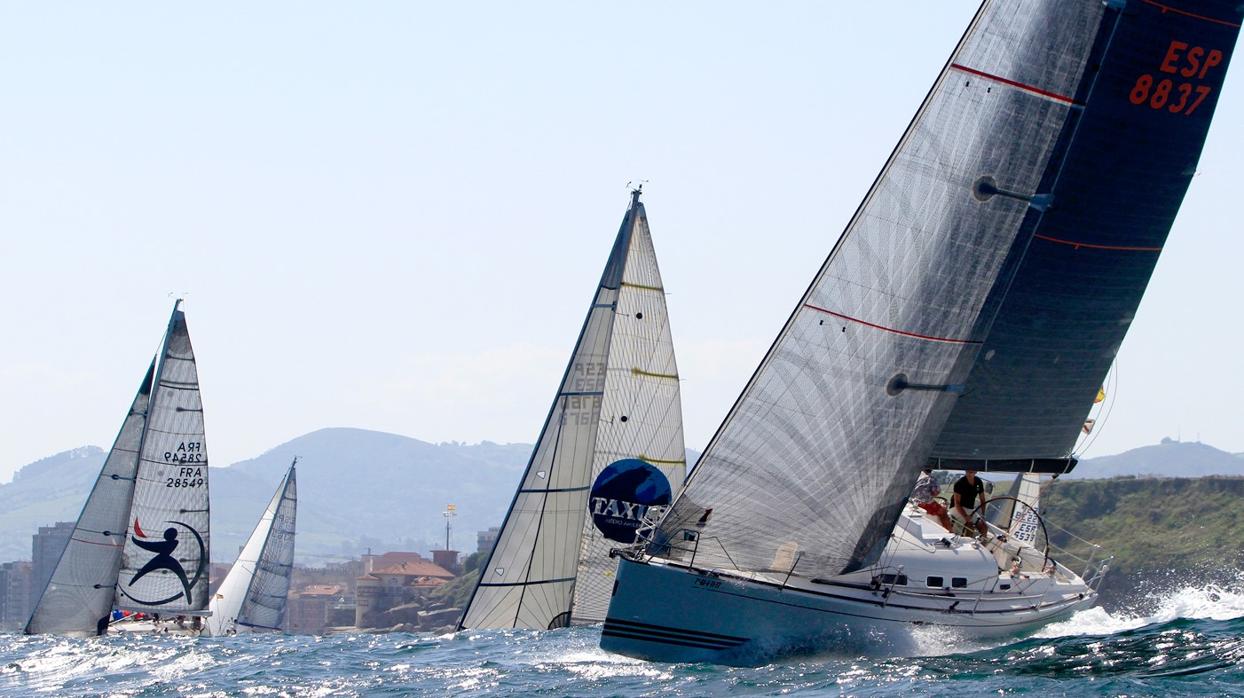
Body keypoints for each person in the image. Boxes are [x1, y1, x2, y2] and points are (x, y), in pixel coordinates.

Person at [951, 469, 988, 536]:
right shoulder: (959, 483)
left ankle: (981, 544)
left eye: (971, 471)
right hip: (957, 508)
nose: (969, 473)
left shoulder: (978, 482)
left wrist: (983, 516)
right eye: (967, 471)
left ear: (975, 472)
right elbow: (957, 503)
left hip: (970, 510)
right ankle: (968, 544)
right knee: (970, 525)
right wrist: (965, 516)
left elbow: (982, 500)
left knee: (984, 528)